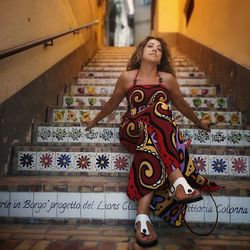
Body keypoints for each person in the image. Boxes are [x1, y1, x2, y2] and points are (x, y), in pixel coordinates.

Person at [84, 36, 219, 248]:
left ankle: (142, 219)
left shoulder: (167, 79)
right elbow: (111, 103)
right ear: (141, 52)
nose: (155, 50)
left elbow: (182, 105)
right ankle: (179, 182)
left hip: (154, 137)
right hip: (132, 128)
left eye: (159, 49)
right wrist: (93, 120)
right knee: (159, 112)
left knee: (152, 140)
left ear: (161, 57)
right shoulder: (127, 78)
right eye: (150, 46)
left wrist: (199, 121)